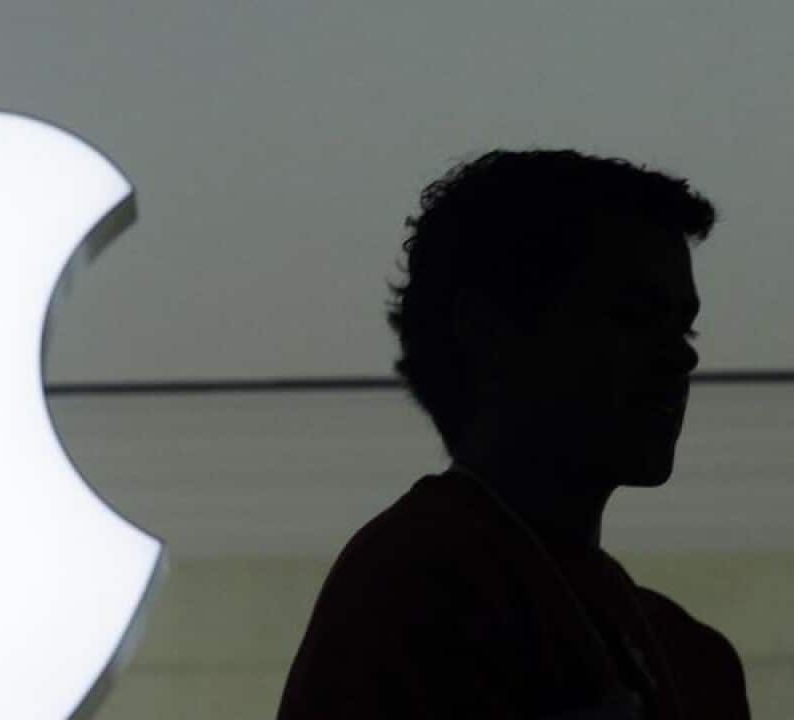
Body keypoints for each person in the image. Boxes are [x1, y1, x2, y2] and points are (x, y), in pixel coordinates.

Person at [276, 150, 750, 718]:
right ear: (490, 334)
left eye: (683, 326)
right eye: (630, 316)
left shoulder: (688, 656)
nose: (680, 358)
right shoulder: (414, 590)